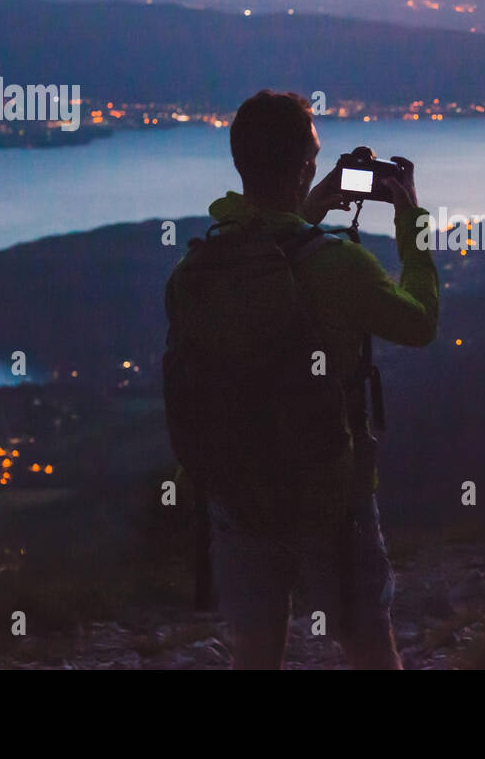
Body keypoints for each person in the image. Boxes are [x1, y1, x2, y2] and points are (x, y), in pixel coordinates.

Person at [170, 89, 438, 669]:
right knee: (368, 644)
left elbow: (269, 259)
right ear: (304, 166)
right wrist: (411, 221)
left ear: (241, 164)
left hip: (236, 485)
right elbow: (419, 323)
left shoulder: (199, 266)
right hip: (331, 489)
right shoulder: (340, 265)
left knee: (255, 652)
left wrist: (307, 204)